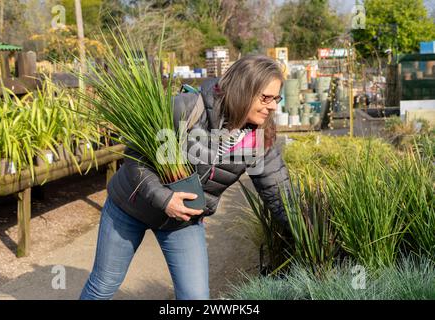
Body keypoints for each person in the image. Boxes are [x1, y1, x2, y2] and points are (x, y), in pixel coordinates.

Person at [80, 55, 293, 300]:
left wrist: (313, 234)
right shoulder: (188, 108)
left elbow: (279, 194)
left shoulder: (259, 138)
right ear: (242, 90)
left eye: (276, 98)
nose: (273, 106)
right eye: (265, 98)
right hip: (131, 207)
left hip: (182, 221)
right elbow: (135, 156)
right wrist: (165, 199)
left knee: (195, 297)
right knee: (103, 285)